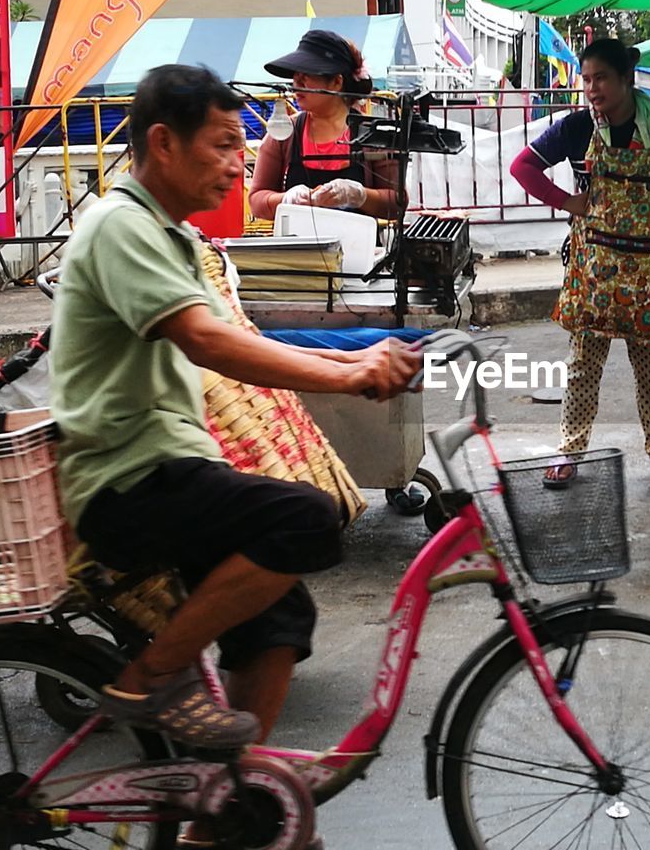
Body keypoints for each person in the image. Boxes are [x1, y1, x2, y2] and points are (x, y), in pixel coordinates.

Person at [50, 65, 420, 752]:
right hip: (126, 480)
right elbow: (205, 339)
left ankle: (233, 806)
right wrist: (349, 378)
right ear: (163, 142)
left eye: (238, 146)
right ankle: (149, 679)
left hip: (171, 468)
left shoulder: (174, 237)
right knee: (304, 518)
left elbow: (238, 336)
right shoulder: (119, 225)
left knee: (278, 621)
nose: (238, 163)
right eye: (221, 145)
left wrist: (364, 359)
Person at [508, 39, 650, 487]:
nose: (591, 89)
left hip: (648, 269)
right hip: (594, 269)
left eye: (600, 78)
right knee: (583, 365)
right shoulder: (575, 128)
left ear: (626, 79)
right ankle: (570, 450)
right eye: (586, 79)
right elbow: (522, 167)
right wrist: (567, 201)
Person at [249, 29, 400, 220]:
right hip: (295, 247)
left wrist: (359, 195)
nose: (297, 82)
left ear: (337, 82)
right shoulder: (284, 133)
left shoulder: (373, 135)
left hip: (358, 244)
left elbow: (397, 203)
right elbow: (256, 199)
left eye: (307, 74)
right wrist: (287, 199)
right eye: (295, 74)